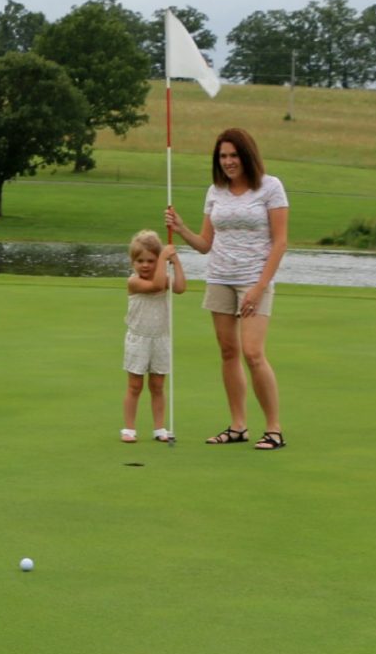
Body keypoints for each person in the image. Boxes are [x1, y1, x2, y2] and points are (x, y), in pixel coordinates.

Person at [165, 127, 290, 450]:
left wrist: (260, 287)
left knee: (252, 352)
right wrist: (180, 229)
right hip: (219, 276)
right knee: (228, 351)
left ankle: (274, 429)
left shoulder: (270, 187)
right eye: (223, 156)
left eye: (233, 155)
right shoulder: (215, 191)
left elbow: (280, 242)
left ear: (246, 155)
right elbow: (206, 244)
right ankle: (238, 426)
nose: (228, 162)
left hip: (254, 280)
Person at [121, 229, 186, 443]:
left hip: (160, 339)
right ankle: (129, 428)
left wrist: (175, 261)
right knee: (135, 386)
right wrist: (163, 260)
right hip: (138, 339)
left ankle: (159, 428)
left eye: (151, 260)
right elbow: (157, 286)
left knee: (157, 386)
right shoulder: (134, 282)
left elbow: (180, 288)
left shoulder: (163, 277)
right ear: (133, 263)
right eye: (140, 261)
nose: (146, 265)